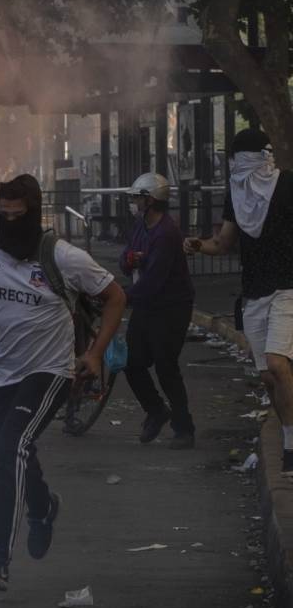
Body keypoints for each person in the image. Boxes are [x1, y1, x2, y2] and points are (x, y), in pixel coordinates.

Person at [0, 174, 126, 592]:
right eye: (4, 215)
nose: (11, 223)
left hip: (48, 373)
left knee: (9, 450)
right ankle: (43, 506)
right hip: (2, 374)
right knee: (7, 447)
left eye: (19, 216)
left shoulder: (63, 257)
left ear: (34, 213)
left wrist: (94, 353)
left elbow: (115, 296)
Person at [186, 127, 293, 474]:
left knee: (278, 364)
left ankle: (292, 445)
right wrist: (200, 245)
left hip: (288, 288)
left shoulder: (288, 186)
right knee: (267, 377)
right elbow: (224, 242)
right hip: (254, 292)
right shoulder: (238, 195)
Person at [119, 173, 197, 448]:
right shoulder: (141, 225)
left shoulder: (166, 234)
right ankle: (156, 410)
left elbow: (153, 281)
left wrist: (122, 298)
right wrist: (130, 259)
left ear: (150, 201)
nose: (134, 203)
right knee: (131, 362)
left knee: (166, 367)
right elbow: (126, 258)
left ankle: (184, 427)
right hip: (146, 305)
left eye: (138, 198)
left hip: (170, 307)